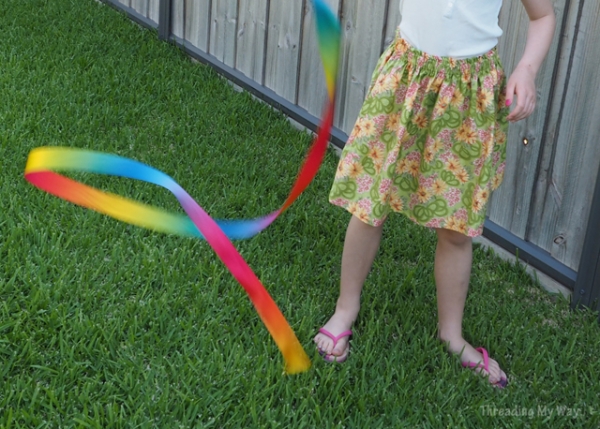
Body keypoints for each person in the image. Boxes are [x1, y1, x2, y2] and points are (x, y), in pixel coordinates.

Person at [314, 0, 555, 387]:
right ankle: (345, 309)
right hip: (406, 80)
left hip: (469, 98)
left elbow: (543, 15)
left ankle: (452, 334)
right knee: (369, 204)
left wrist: (526, 70)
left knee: (456, 228)